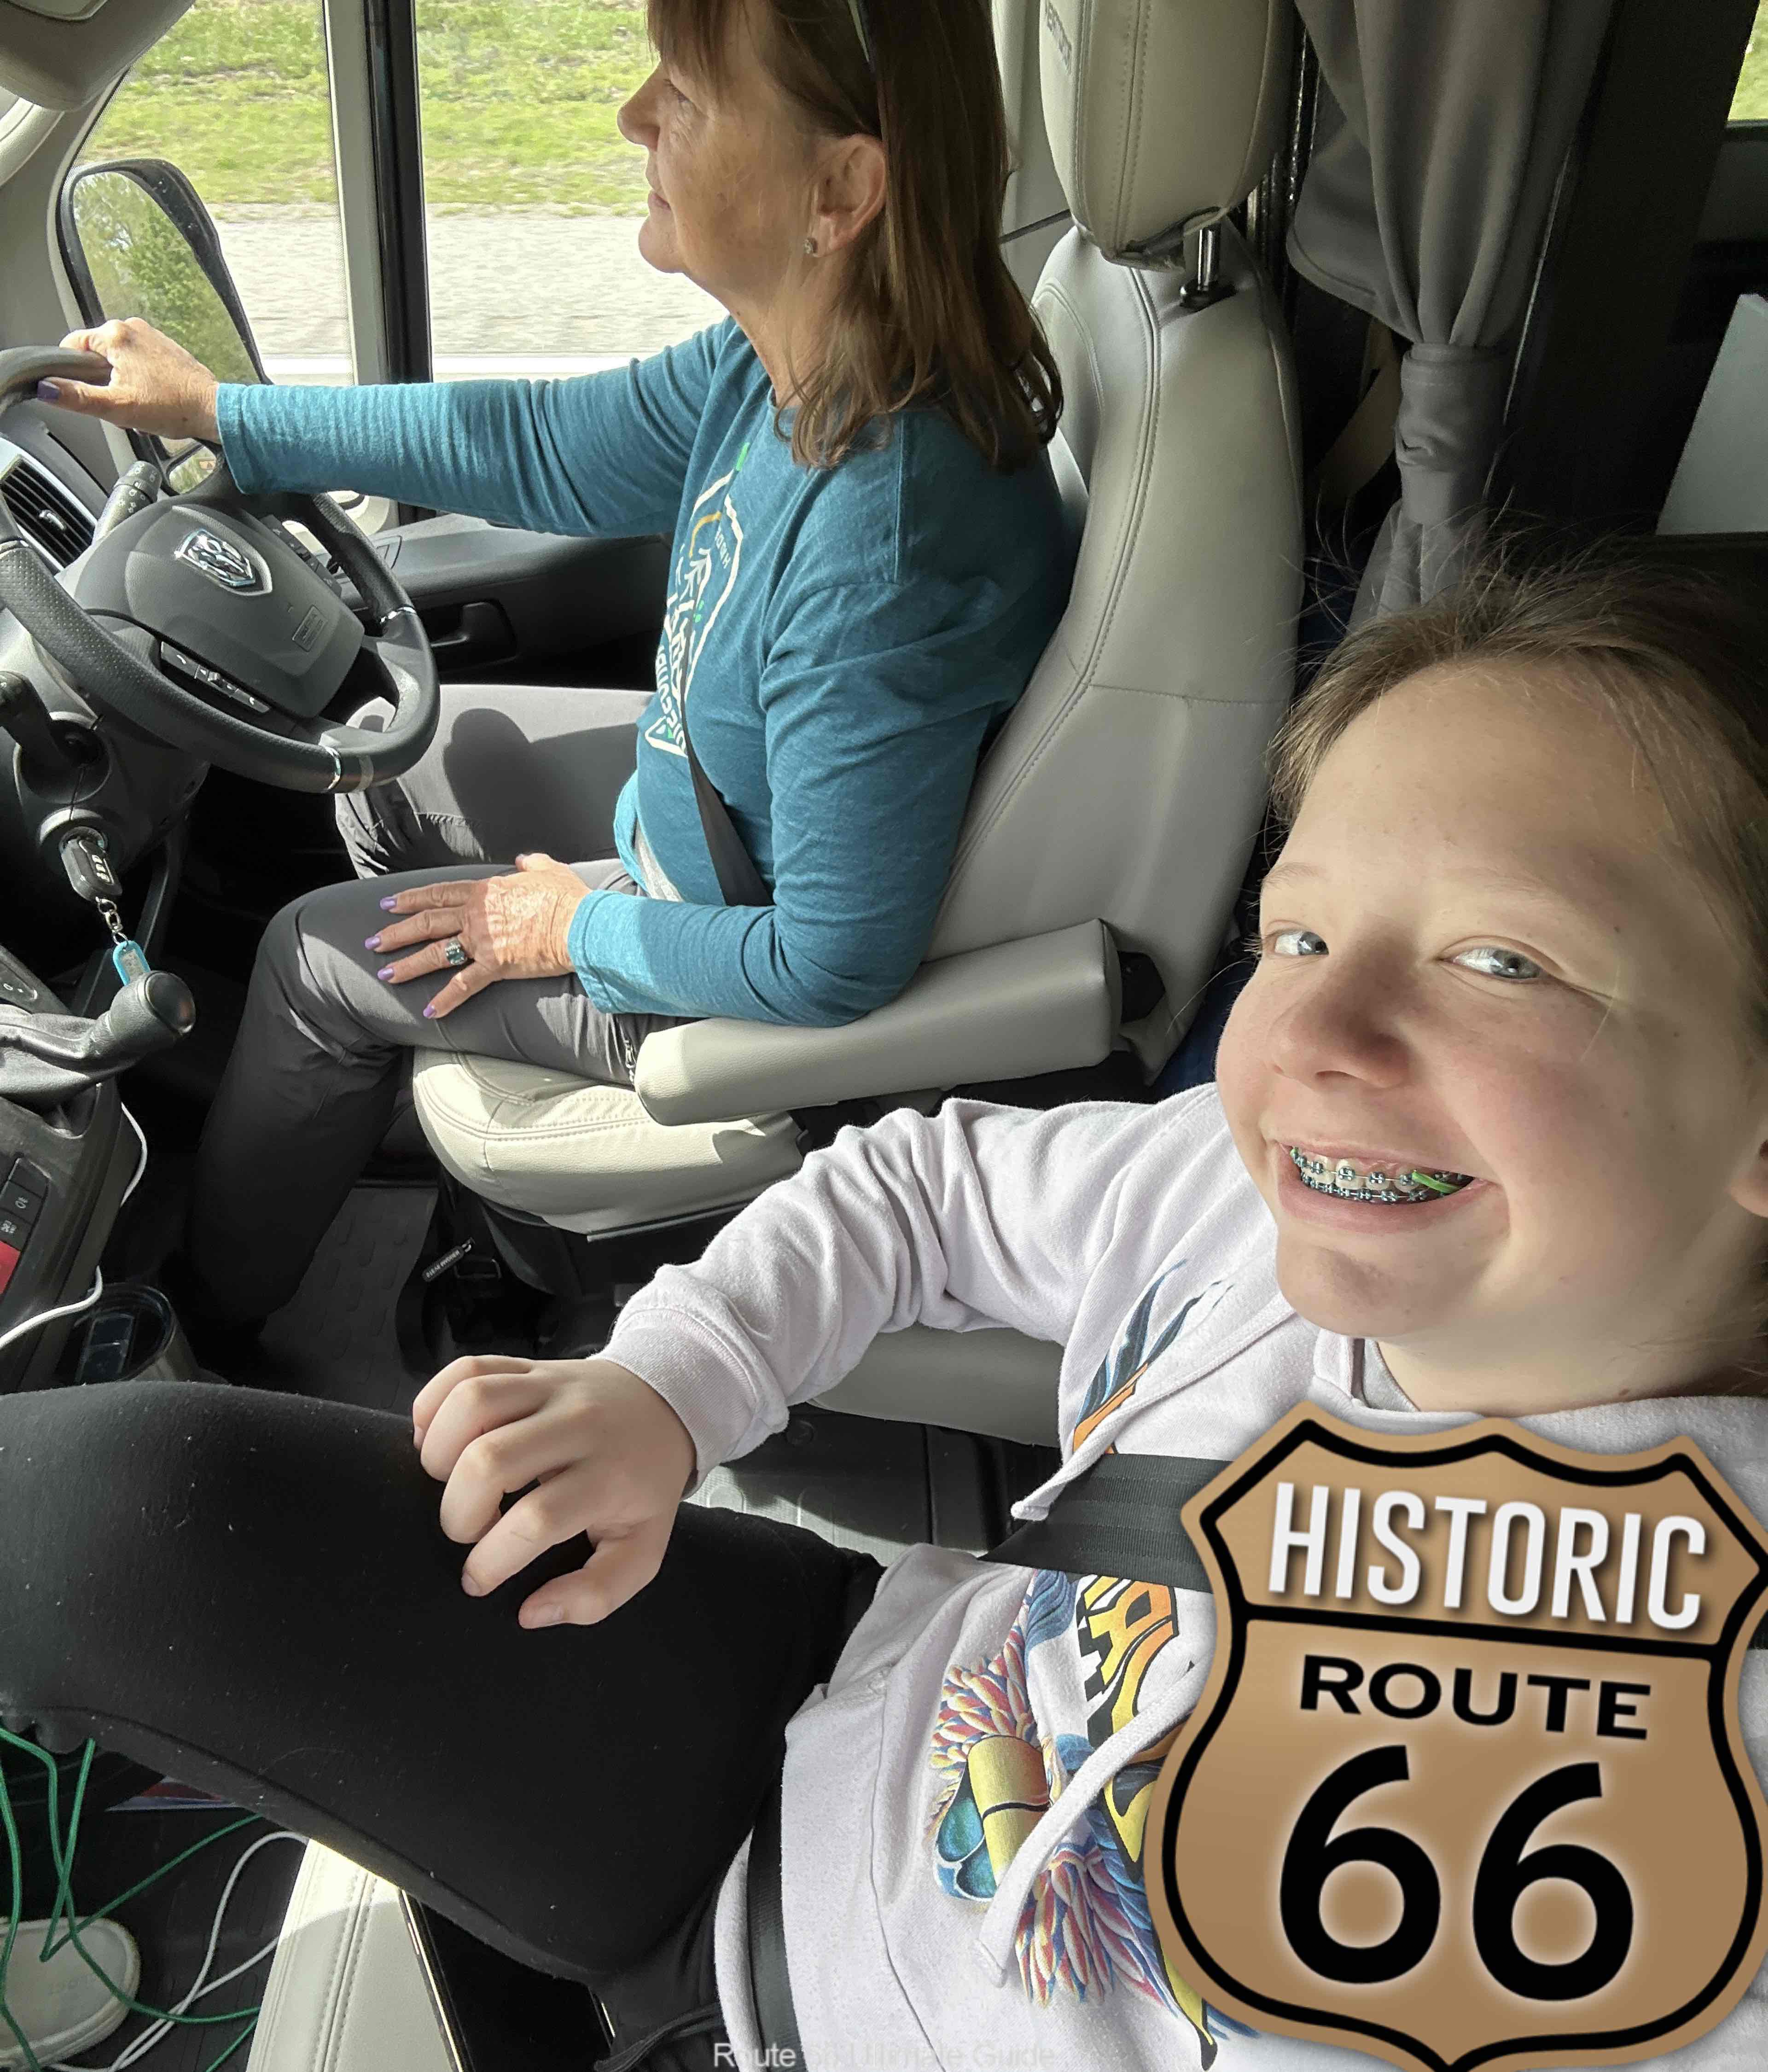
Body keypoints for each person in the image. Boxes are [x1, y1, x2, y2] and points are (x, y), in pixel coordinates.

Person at [4, 544, 1767, 2071]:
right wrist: (672, 1384)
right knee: (91, 1511)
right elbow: (922, 1184)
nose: (1305, 1037)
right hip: (833, 1711)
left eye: (1501, 961)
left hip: (848, 2012)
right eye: (1297, 936)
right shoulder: (1232, 1194)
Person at [37, 0, 1073, 1336]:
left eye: (686, 97)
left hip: (720, 982)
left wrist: (562, 928)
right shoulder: (796, 367)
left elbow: (830, 963)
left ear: (841, 191)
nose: (634, 117)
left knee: (308, 960)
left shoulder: (887, 532)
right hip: (701, 843)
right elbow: (534, 441)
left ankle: (196, 1324)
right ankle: (371, 1083)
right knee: (389, 757)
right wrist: (223, 413)